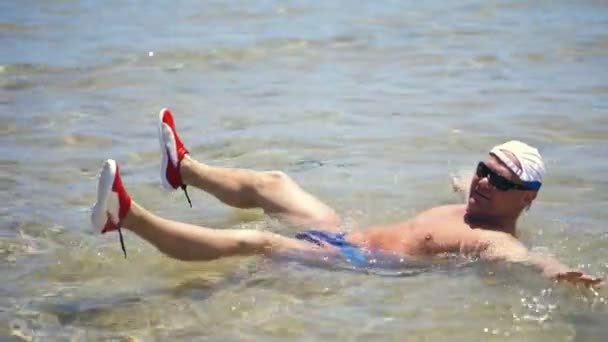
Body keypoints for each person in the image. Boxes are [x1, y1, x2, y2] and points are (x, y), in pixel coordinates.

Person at [91, 108, 602, 288]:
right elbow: (470, 186)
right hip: (342, 233)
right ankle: (184, 170)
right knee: (274, 183)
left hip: (351, 260)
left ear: (527, 200)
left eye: (503, 183)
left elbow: (529, 258)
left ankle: (126, 217)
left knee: (260, 243)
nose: (484, 183)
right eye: (482, 171)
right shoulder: (471, 202)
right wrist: (462, 182)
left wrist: (555, 273)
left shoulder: (495, 242)